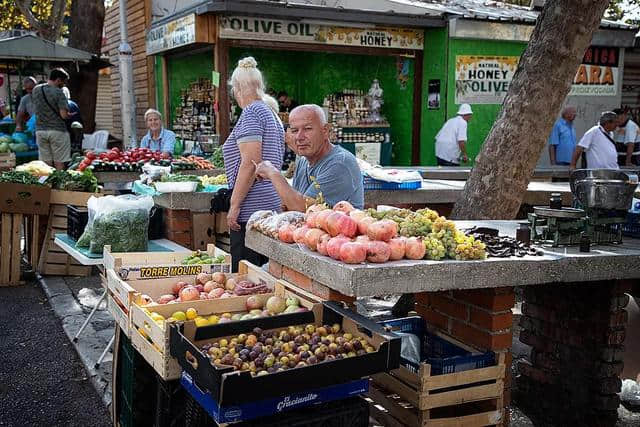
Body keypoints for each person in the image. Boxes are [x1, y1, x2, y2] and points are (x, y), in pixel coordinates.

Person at [223, 57, 285, 272]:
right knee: (264, 275)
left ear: (238, 88)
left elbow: (250, 164)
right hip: (269, 205)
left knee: (246, 276)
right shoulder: (271, 114)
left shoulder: (251, 113)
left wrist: (234, 205)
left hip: (251, 210)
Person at [255, 104, 364, 211]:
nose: (299, 137)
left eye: (307, 129)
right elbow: (294, 206)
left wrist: (272, 172)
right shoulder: (303, 160)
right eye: (294, 131)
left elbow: (303, 208)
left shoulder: (340, 163)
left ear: (325, 131)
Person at [31, 68, 71, 170]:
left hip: (40, 131)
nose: (64, 85)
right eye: (63, 82)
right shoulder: (59, 93)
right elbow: (63, 115)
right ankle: (59, 185)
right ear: (58, 80)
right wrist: (69, 114)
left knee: (45, 165)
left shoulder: (36, 89)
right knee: (59, 162)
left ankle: (47, 185)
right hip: (57, 131)